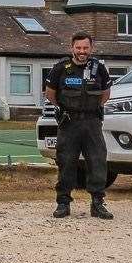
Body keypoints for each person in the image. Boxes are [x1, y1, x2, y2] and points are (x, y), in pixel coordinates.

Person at [44, 32, 114, 220]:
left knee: (97, 161)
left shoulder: (98, 68)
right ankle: (63, 203)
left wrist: (94, 107)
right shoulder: (61, 68)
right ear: (72, 48)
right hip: (69, 122)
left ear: (91, 48)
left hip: (92, 122)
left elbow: (106, 94)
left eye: (85, 48)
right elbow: (50, 94)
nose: (82, 51)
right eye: (78, 48)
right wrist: (64, 109)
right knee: (66, 162)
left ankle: (98, 203)